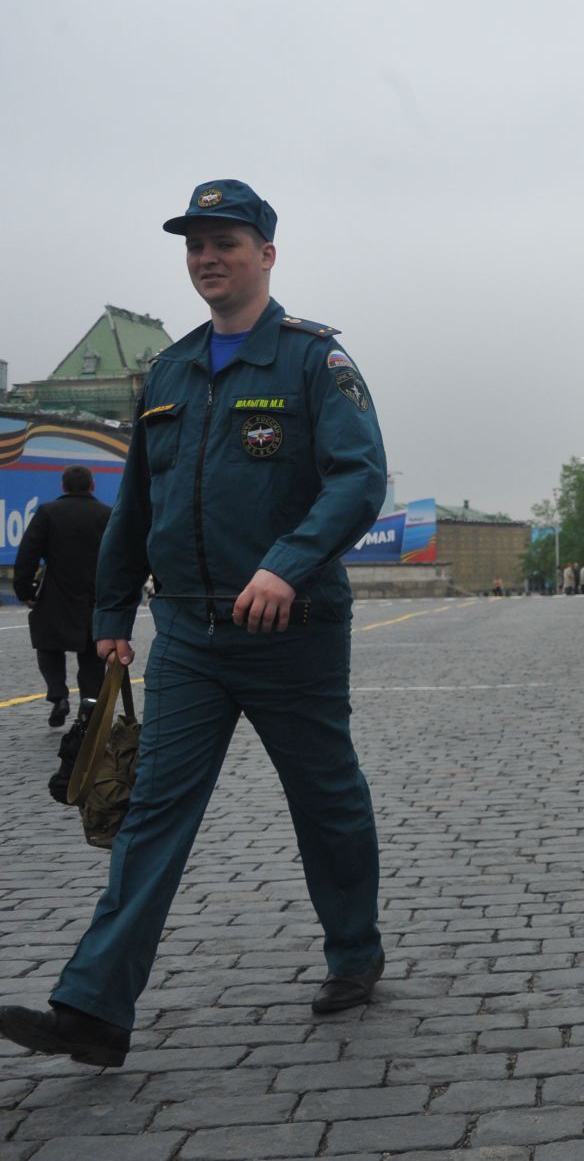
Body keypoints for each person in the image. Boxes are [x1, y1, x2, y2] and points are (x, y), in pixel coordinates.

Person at [0, 180, 388, 1069]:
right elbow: (139, 503)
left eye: (225, 242)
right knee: (150, 816)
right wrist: (110, 612)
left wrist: (285, 565)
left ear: (266, 255)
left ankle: (354, 951)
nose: (207, 258)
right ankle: (94, 1006)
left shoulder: (313, 363)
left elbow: (359, 479)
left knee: (326, 801)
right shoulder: (169, 372)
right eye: (194, 245)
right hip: (190, 639)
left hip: (293, 635)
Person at [11, 465, 112, 727]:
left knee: (48, 646)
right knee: (92, 657)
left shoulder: (48, 512)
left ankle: (58, 696)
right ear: (92, 486)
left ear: (63, 486)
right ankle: (88, 707)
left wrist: (25, 591)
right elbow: (118, 557)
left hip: (55, 596)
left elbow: (27, 555)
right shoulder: (107, 514)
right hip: (94, 597)